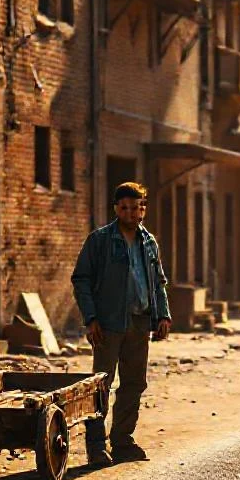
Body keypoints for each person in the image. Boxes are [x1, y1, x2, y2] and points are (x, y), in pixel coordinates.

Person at [71, 182, 172, 465]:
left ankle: (123, 442)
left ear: (143, 210)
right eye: (124, 207)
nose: (130, 213)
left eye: (136, 207)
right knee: (100, 384)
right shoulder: (100, 240)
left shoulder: (149, 242)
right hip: (108, 324)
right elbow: (81, 280)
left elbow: (159, 282)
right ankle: (95, 447)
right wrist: (90, 319)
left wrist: (162, 315)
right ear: (116, 208)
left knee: (134, 383)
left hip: (139, 323)